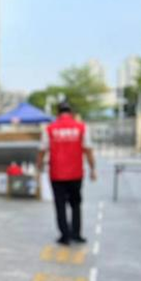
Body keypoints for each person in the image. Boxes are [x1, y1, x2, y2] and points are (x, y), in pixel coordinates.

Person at [37, 101, 96, 246]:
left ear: (58, 113)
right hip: (76, 174)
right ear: (71, 113)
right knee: (76, 204)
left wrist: (39, 167)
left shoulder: (49, 129)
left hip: (57, 174)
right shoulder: (82, 128)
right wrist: (92, 169)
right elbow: (88, 150)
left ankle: (65, 236)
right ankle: (76, 234)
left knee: (60, 205)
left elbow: (42, 150)